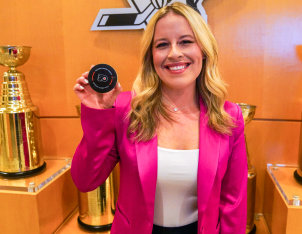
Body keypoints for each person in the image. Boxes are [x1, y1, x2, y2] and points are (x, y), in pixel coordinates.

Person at [72, 2, 247, 234]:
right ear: (151, 58)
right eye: (162, 44)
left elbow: (233, 203)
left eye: (185, 41)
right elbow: (86, 180)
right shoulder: (127, 109)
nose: (174, 53)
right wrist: (100, 113)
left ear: (203, 51)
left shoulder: (228, 116)